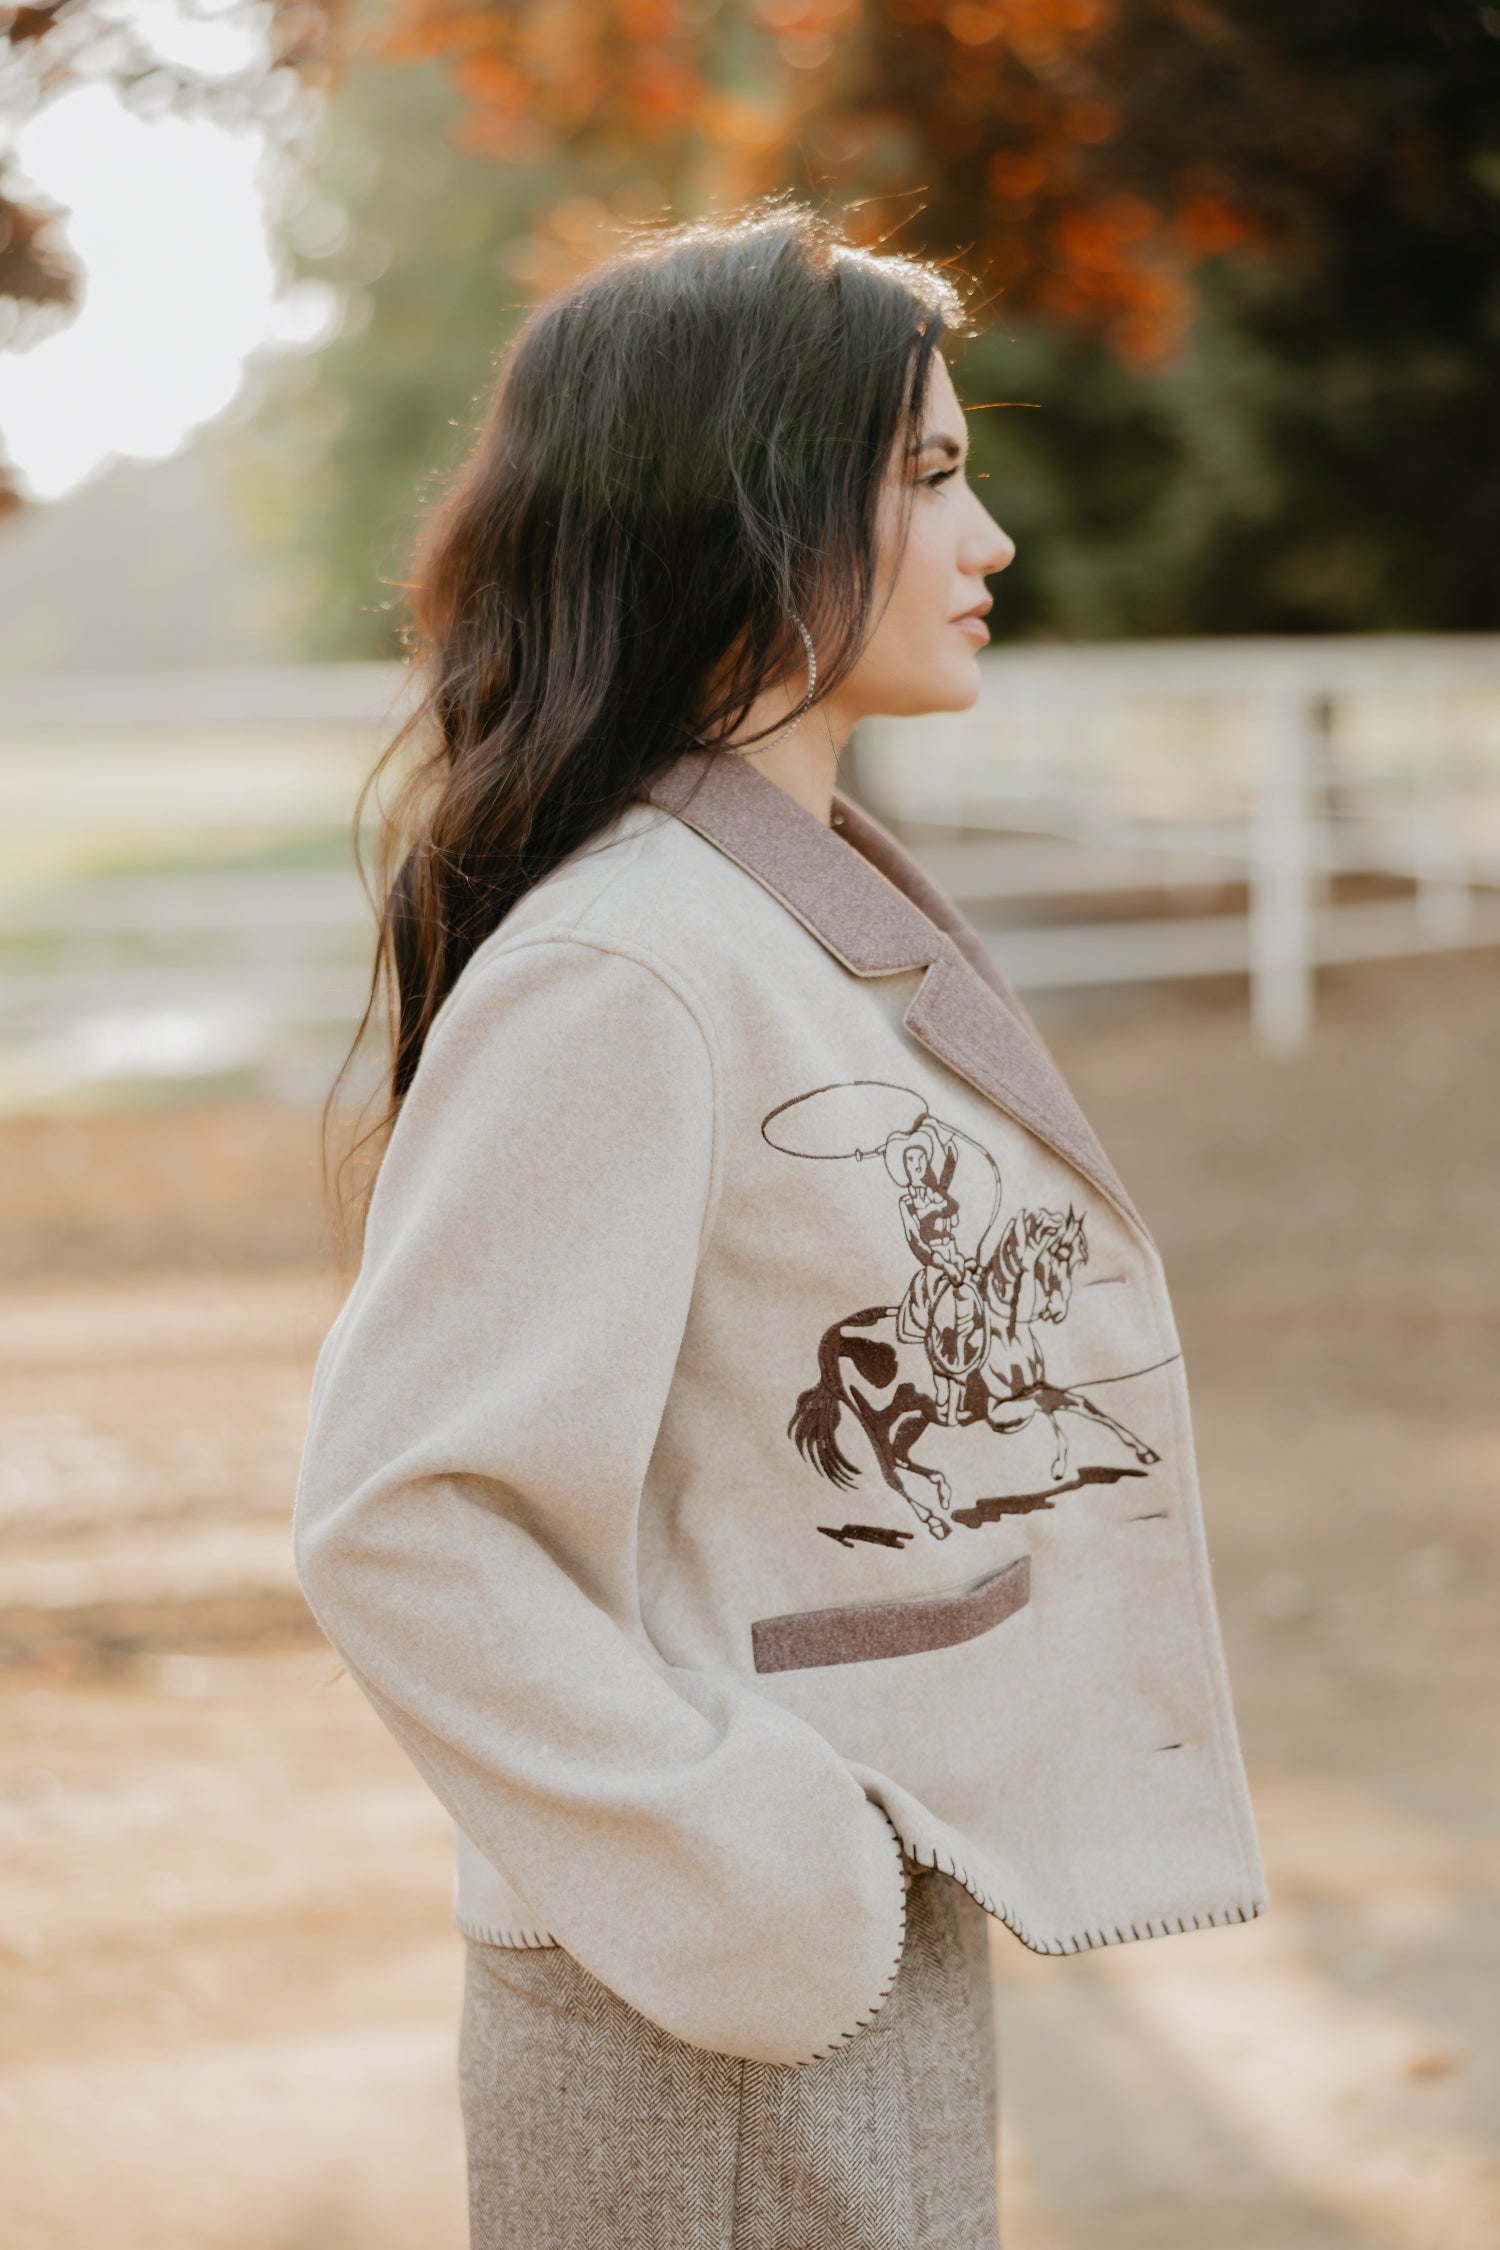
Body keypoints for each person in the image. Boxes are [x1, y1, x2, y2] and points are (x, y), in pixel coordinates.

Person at [294, 204, 1266, 2249]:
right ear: (754, 512)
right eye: (929, 476)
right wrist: (753, 1868)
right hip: (720, 1989)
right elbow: (404, 1515)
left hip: (837, 1908)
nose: (992, 537)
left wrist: (822, 1874)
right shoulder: (625, 968)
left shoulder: (775, 912)